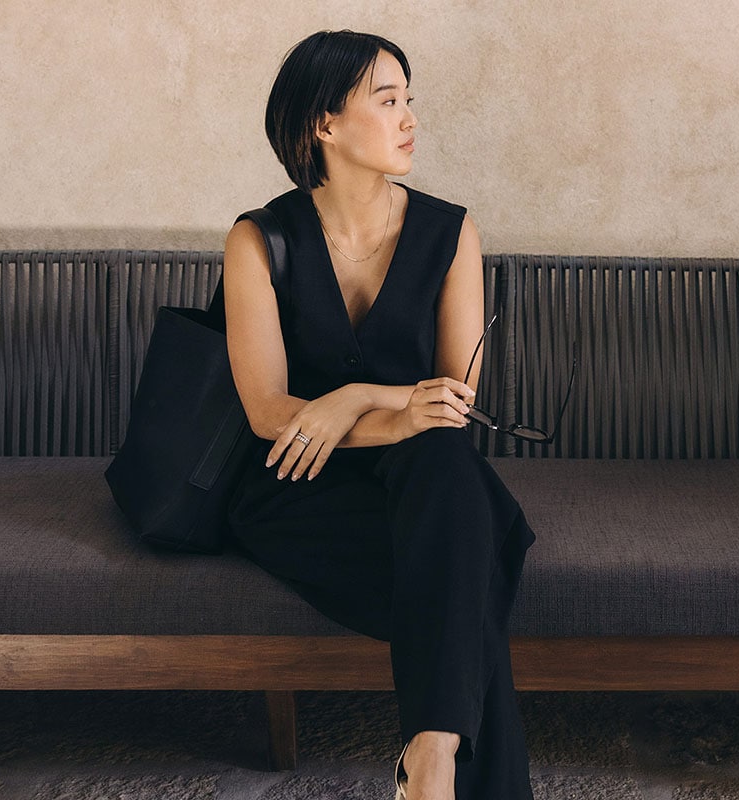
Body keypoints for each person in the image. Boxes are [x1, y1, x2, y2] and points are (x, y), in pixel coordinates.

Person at [220, 30, 537, 800]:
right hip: (295, 484)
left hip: (421, 475)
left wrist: (358, 398)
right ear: (324, 125)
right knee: (472, 572)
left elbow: (453, 399)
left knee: (442, 461)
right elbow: (268, 412)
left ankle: (428, 756)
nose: (410, 120)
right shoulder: (259, 240)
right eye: (387, 101)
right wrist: (391, 406)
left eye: (409, 101)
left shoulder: (450, 232)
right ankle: (434, 760)